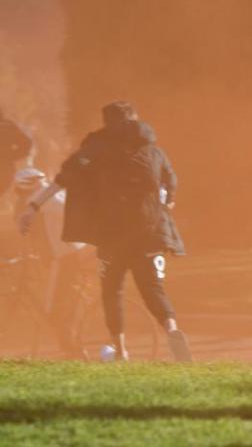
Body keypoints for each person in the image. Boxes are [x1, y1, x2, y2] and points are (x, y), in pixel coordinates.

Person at [18, 101, 191, 362]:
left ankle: (120, 350)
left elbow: (64, 177)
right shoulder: (154, 151)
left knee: (112, 290)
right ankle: (173, 330)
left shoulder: (96, 148)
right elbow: (171, 183)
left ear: (106, 121)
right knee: (152, 288)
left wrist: (34, 205)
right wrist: (165, 204)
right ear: (134, 119)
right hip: (150, 233)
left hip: (113, 235)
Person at [12, 167, 88, 357]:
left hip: (64, 259)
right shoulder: (54, 195)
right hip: (68, 255)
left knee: (55, 311)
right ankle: (70, 346)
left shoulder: (42, 199)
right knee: (56, 304)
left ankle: (75, 352)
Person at [0, 108, 33, 199]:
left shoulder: (8, 126)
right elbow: (27, 143)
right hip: (5, 168)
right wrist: (13, 156)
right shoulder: (9, 126)